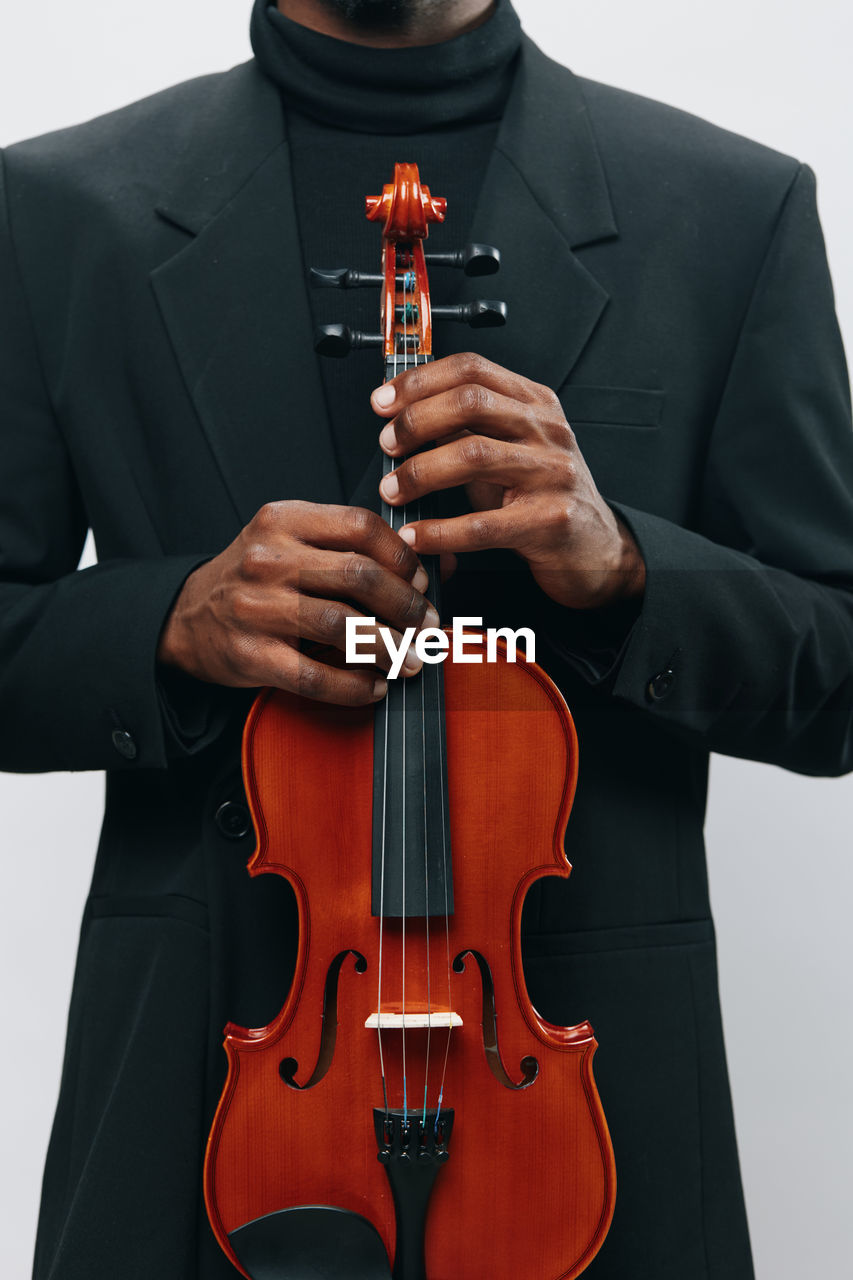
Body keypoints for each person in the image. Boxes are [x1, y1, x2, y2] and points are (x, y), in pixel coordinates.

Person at [2, 0, 852, 1276]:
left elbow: (837, 673)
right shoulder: (58, 209)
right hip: (192, 1075)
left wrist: (627, 567)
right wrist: (171, 619)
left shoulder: (730, 210)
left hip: (584, 1100)